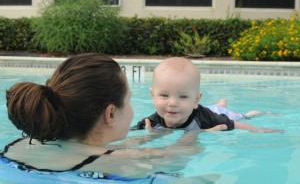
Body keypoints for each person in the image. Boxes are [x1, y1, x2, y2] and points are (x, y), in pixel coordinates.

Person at [1, 53, 213, 183]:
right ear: (110, 113)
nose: (131, 109)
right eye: (129, 100)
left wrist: (147, 138)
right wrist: (192, 138)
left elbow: (82, 150)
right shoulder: (126, 164)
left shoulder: (18, 146)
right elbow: (182, 165)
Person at [131, 57, 284, 133]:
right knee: (214, 107)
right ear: (152, 95)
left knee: (242, 115)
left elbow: (234, 125)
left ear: (196, 99)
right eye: (164, 95)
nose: (172, 103)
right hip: (202, 108)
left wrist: (259, 130)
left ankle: (252, 112)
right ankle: (220, 103)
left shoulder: (206, 118)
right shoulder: (150, 122)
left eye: (182, 96)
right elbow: (129, 134)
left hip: (218, 113)